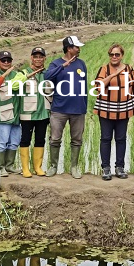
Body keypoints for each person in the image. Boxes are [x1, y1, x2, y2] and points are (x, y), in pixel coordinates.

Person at [93, 43, 134, 180]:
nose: (114, 56)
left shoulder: (129, 69)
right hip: (105, 110)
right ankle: (106, 168)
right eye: (111, 54)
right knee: (105, 138)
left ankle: (120, 167)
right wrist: (114, 74)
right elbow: (98, 87)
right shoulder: (104, 69)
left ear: (122, 55)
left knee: (121, 139)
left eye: (117, 54)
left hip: (123, 110)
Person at [44, 35, 88, 179]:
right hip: (59, 109)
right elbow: (47, 77)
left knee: (77, 139)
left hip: (78, 109)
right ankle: (53, 166)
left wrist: (84, 105)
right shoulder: (56, 63)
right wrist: (62, 66)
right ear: (69, 48)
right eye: (76, 47)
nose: (79, 49)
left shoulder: (81, 64)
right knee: (55, 138)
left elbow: (84, 86)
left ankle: (74, 167)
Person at [0, 51, 23, 177]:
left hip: (15, 115)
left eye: (9, 60)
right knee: (1, 142)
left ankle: (9, 166)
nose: (6, 62)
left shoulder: (16, 74)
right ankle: (1, 167)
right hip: (1, 115)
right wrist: (5, 75)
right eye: (3, 60)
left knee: (14, 141)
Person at [17, 47, 51, 178]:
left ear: (44, 58)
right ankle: (25, 168)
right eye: (35, 56)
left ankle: (38, 167)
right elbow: (15, 85)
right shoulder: (23, 73)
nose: (38, 59)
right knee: (25, 139)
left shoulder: (47, 74)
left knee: (40, 139)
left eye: (40, 57)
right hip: (28, 113)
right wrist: (26, 77)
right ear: (31, 58)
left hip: (43, 113)